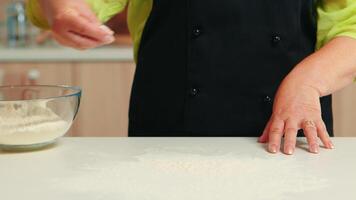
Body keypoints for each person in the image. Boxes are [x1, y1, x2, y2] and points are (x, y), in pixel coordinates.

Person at [27, 0, 356, 155]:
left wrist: (309, 83)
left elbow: (351, 26)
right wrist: (61, 7)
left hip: (287, 136)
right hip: (167, 135)